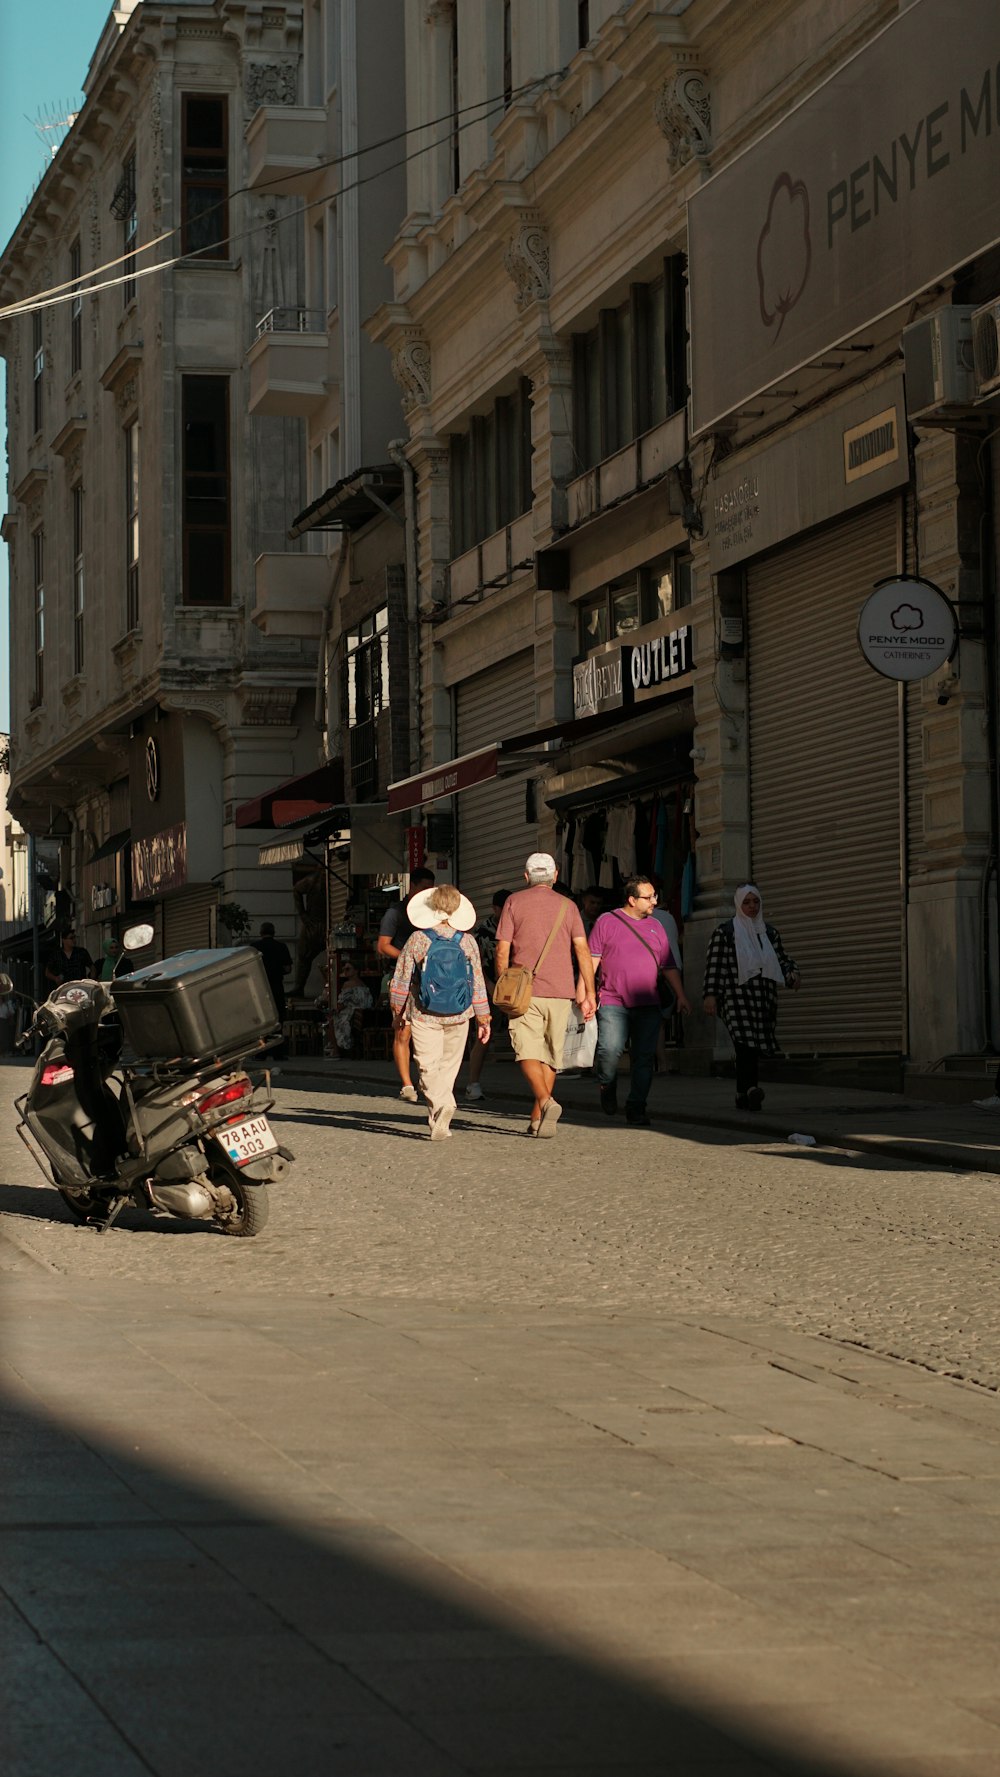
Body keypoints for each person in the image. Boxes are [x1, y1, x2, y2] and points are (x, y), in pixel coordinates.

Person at [493, 852, 596, 1138]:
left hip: (524, 992)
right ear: (555, 876)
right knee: (551, 1055)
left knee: (526, 1050)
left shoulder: (513, 901)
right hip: (561, 991)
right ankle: (538, 1116)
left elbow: (502, 950)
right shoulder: (570, 906)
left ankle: (546, 1103)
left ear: (526, 876)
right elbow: (582, 950)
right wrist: (589, 991)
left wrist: (503, 984)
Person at [389, 884, 491, 1140]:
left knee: (427, 1066)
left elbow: (401, 979)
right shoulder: (467, 940)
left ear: (431, 906)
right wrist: (483, 1016)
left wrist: (396, 1010)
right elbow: (477, 980)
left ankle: (442, 1108)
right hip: (460, 1012)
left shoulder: (418, 939)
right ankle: (440, 1117)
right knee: (448, 1067)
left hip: (424, 1011)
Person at [589, 877, 691, 1126]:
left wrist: (681, 995)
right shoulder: (606, 922)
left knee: (643, 1058)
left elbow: (668, 965)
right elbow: (591, 960)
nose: (654, 901)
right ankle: (607, 1084)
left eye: (654, 895)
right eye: (648, 897)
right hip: (613, 1000)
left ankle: (637, 1106)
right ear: (632, 899)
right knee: (609, 1051)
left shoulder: (657, 926)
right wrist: (586, 993)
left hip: (648, 1004)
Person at [702, 883, 801, 1110]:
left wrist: (792, 974)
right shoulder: (725, 933)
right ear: (738, 904)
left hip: (762, 997)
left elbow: (781, 959)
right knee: (743, 1043)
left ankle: (742, 1093)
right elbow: (715, 966)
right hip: (735, 997)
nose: (752, 906)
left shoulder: (768, 933)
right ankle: (751, 1088)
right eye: (746, 902)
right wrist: (711, 995)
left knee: (753, 1045)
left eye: (755, 901)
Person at [376, 867, 435, 1102]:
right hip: (403, 978)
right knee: (403, 1030)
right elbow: (382, 945)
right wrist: (407, 956)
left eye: (431, 888)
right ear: (412, 887)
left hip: (431, 979)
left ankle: (426, 1080)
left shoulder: (434, 912)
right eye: (423, 888)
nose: (427, 893)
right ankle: (407, 1084)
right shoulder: (396, 912)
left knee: (428, 1032)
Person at [464, 889, 509, 1102]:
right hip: (488, 989)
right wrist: (489, 985)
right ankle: (473, 1083)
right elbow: (475, 964)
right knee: (483, 1036)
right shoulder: (483, 932)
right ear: (495, 908)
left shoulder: (519, 927)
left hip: (517, 990)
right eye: (505, 908)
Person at [291, 863, 327, 996]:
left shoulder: (320, 880)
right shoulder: (312, 880)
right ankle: (299, 987)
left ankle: (299, 988)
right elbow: (297, 889)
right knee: (304, 956)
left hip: (324, 922)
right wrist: (303, 915)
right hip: (315, 923)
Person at [327, 955, 373, 1058]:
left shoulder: (348, 985)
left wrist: (335, 1010)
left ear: (356, 971)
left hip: (350, 1014)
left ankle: (336, 1050)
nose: (345, 971)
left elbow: (341, 1003)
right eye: (344, 969)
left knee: (331, 1020)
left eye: (348, 969)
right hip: (362, 1014)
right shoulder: (363, 985)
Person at [251, 921, 293, 1024]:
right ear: (274, 933)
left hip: (259, 987)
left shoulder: (254, 947)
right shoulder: (281, 946)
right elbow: (288, 968)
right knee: (278, 1016)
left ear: (261, 933)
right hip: (276, 986)